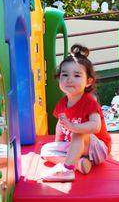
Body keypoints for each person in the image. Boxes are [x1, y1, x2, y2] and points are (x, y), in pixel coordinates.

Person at [40, 44, 112, 182]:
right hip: (76, 147)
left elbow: (95, 127)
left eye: (77, 75)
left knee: (79, 132)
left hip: (97, 149)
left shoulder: (89, 102)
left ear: (88, 82)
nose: (69, 79)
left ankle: (67, 170)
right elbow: (60, 126)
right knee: (45, 150)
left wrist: (73, 127)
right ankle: (79, 164)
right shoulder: (62, 103)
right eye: (64, 75)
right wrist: (59, 145)